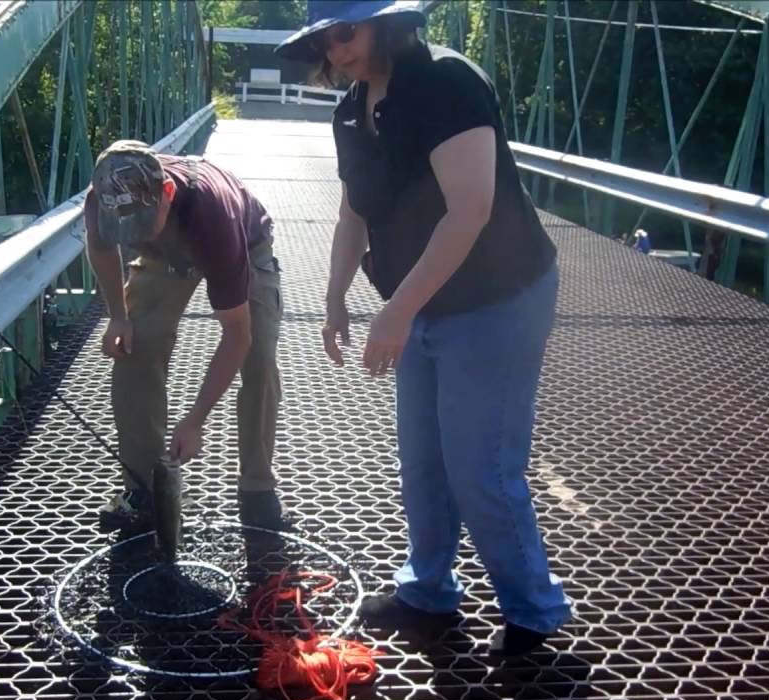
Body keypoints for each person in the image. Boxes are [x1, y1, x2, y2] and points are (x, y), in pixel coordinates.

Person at [276, 1, 574, 658]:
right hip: (420, 306)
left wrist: (398, 309)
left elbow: (469, 212)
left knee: (483, 469)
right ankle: (429, 592)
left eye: (345, 32)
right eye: (323, 40)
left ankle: (533, 612)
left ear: (386, 23)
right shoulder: (351, 110)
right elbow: (354, 214)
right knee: (422, 462)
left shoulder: (447, 83)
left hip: (496, 297)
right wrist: (334, 299)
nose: (335, 50)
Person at [82, 140, 287, 532]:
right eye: (124, 227)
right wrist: (118, 317)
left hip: (245, 245)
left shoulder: (214, 217)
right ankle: (144, 487)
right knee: (135, 345)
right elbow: (102, 247)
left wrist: (195, 419)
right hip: (164, 259)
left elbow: (236, 334)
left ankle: (257, 487)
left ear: (168, 194)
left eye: (141, 224)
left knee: (259, 357)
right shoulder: (102, 196)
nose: (131, 234)